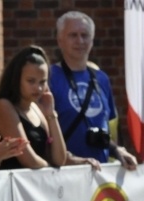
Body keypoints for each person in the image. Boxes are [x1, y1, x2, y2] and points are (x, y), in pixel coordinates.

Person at [49, 11, 138, 171]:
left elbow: (107, 127)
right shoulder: (49, 77)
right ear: (60, 40)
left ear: (92, 41)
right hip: (64, 173)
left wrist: (116, 150)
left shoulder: (102, 79)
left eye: (85, 35)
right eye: (73, 35)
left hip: (99, 172)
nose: (80, 41)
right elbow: (42, 134)